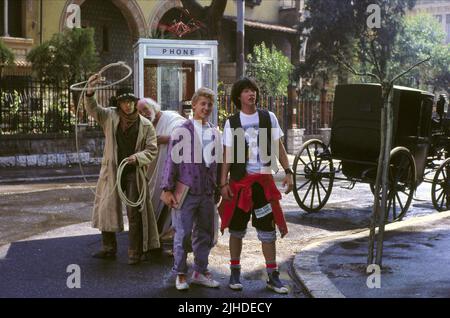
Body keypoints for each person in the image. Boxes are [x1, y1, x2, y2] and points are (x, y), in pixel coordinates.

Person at [219, 77, 293, 294]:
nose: (252, 94)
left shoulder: (267, 117)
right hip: (240, 184)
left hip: (262, 184)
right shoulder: (232, 122)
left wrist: (288, 171)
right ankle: (234, 271)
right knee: (236, 230)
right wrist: (223, 182)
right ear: (238, 96)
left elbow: (278, 147)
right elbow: (228, 155)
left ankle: (272, 275)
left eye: (254, 90)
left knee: (267, 231)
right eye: (246, 91)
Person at [84, 74, 159, 265]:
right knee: (107, 208)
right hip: (113, 169)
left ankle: (135, 252)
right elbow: (92, 108)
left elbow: (152, 149)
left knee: (135, 211)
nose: (128, 105)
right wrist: (90, 89)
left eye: (131, 101)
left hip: (133, 171)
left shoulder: (146, 125)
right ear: (119, 104)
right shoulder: (110, 116)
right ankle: (108, 248)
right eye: (124, 102)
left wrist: (138, 157)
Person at [161, 87, 221, 291]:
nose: (206, 107)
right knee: (183, 234)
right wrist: (167, 188)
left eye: (209, 104)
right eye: (202, 104)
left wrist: (219, 187)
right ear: (193, 105)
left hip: (207, 191)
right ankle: (180, 274)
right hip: (185, 191)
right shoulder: (181, 131)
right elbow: (171, 161)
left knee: (205, 233)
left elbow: (218, 163)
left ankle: (199, 271)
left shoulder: (214, 131)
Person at [136, 98, 186, 251]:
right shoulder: (144, 125)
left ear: (154, 107)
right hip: (154, 170)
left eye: (146, 109)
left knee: (170, 203)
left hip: (172, 170)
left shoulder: (171, 118)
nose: (144, 113)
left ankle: (169, 236)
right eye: (140, 111)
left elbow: (185, 135)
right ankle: (154, 235)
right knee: (152, 199)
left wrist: (164, 139)